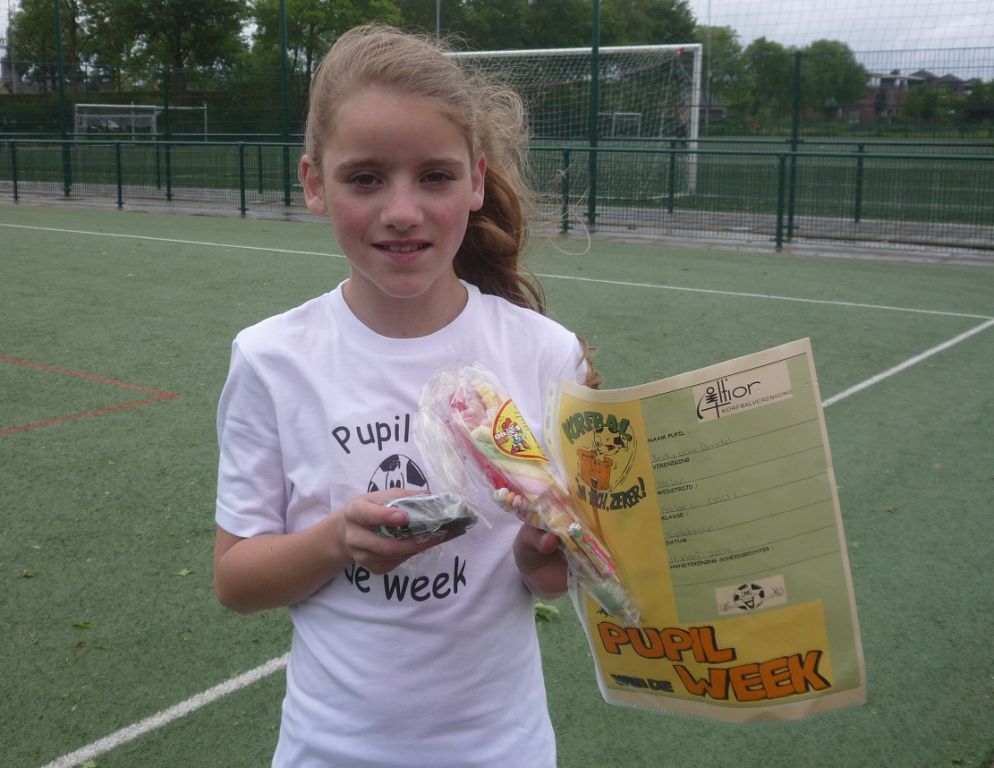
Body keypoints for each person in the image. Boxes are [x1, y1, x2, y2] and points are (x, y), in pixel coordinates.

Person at [213, 24, 600, 768]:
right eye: (365, 178)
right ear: (314, 183)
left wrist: (541, 553)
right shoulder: (272, 360)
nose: (401, 210)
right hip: (331, 751)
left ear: (476, 181)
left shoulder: (545, 355)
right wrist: (337, 540)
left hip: (503, 751)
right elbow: (236, 581)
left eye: (435, 177)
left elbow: (555, 579)